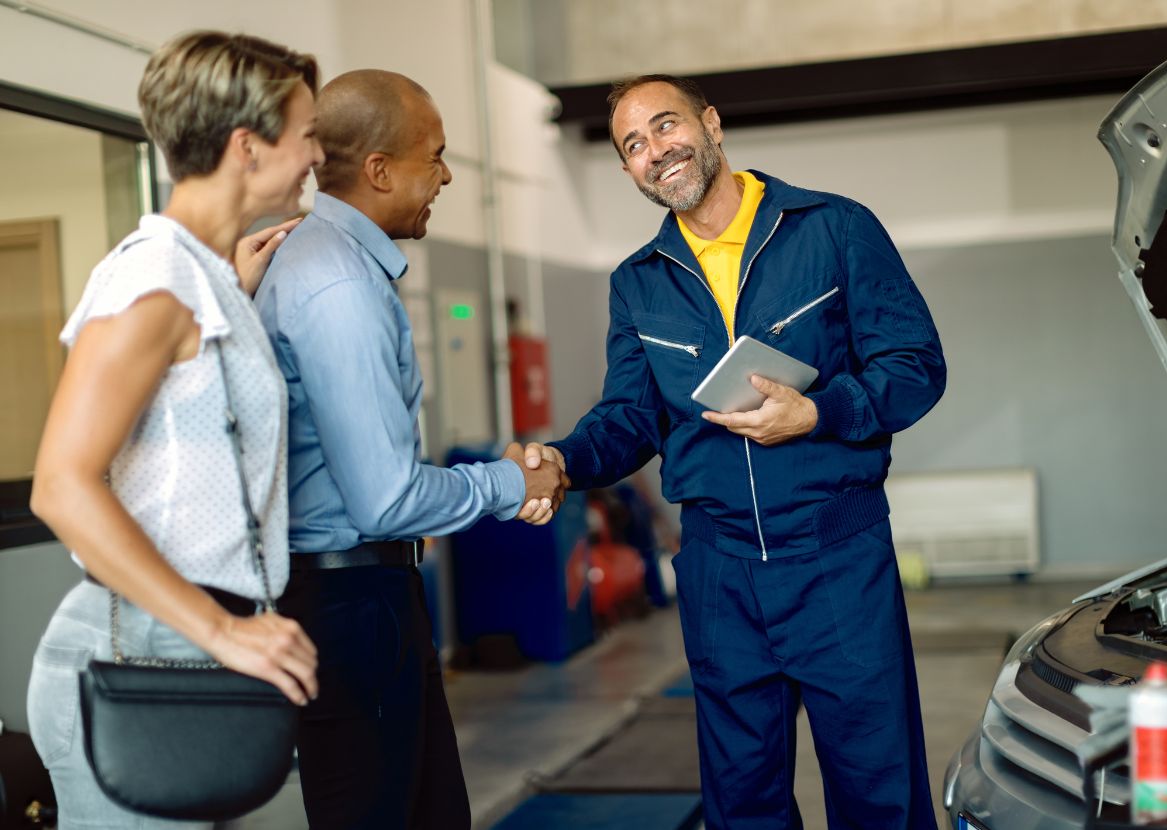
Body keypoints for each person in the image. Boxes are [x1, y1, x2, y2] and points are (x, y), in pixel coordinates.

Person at [523, 74, 946, 829]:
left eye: (666, 126)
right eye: (634, 144)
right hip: (719, 573)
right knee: (741, 802)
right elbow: (629, 416)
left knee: (879, 791)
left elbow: (915, 367)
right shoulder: (638, 283)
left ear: (711, 124)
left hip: (838, 557)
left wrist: (818, 411)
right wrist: (564, 461)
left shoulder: (832, 228)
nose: (657, 150)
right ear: (626, 169)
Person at [254, 69, 567, 829]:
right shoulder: (336, 283)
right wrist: (508, 481)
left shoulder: (329, 263)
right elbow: (386, 497)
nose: (448, 175)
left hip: (362, 595)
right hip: (351, 604)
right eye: (436, 156)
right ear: (380, 170)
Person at [26, 31, 323, 828]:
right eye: (306, 136)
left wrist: (231, 287)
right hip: (142, 656)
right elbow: (60, 485)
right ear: (247, 147)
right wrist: (223, 629)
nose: (315, 156)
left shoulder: (202, 278)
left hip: (189, 648)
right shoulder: (157, 281)